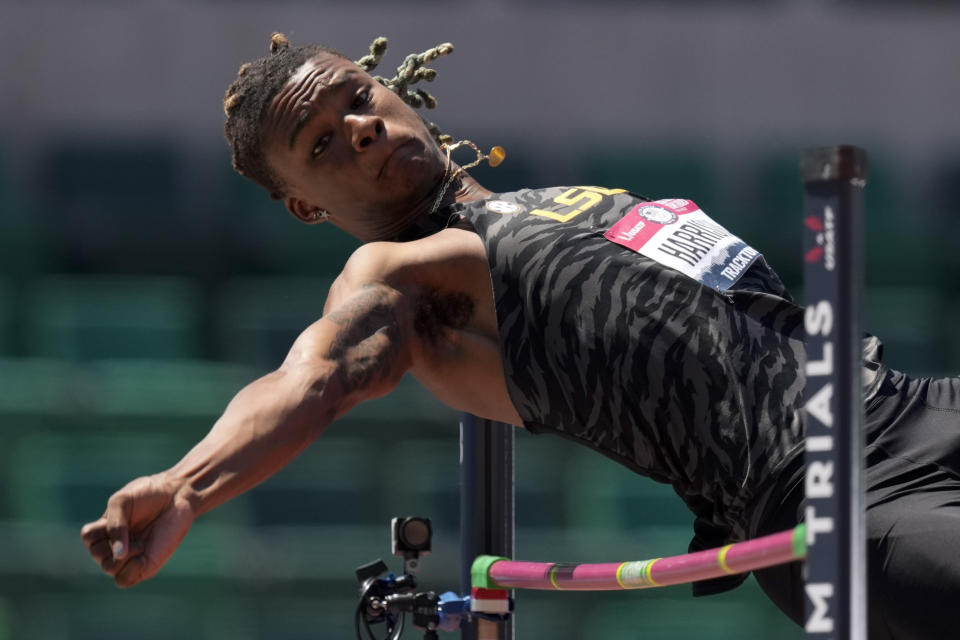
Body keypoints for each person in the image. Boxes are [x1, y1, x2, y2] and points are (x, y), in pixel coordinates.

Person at [80, 33, 960, 639]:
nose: (359, 124)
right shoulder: (406, 275)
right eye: (321, 143)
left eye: (359, 96)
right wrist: (189, 485)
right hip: (839, 501)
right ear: (308, 204)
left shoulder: (555, 201)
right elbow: (316, 378)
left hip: (910, 405)